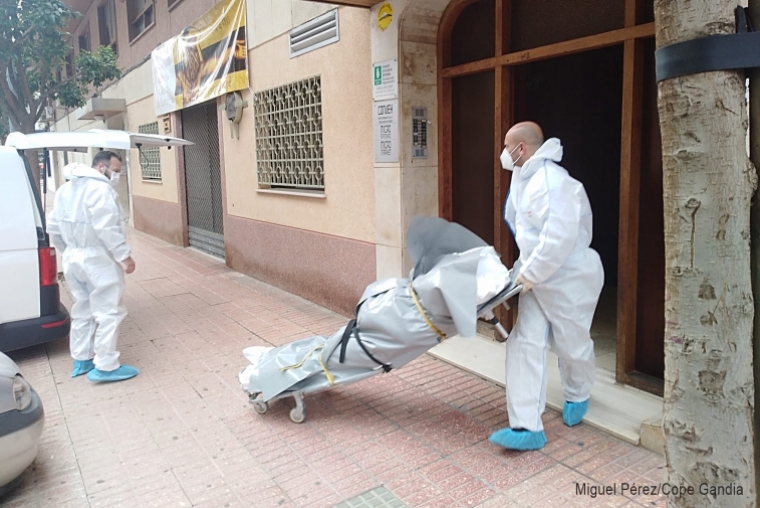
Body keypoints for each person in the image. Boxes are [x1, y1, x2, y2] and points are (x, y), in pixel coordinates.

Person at [489, 122, 604, 451]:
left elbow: (559, 237)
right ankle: (527, 427)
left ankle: (578, 392)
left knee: (572, 344)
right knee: (523, 343)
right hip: (536, 277)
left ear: (520, 149)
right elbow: (528, 232)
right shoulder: (523, 177)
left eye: (507, 146)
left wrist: (532, 272)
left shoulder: (553, 183)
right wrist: (522, 273)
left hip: (569, 277)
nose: (504, 154)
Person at [48, 151, 140, 383]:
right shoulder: (101, 190)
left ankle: (82, 359)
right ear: (101, 168)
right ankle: (106, 366)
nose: (117, 175)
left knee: (83, 309)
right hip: (98, 260)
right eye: (116, 171)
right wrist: (124, 257)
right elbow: (107, 227)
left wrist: (68, 250)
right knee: (109, 311)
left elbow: (54, 227)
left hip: (73, 257)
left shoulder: (64, 190)